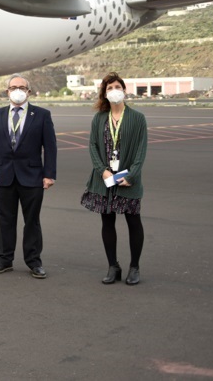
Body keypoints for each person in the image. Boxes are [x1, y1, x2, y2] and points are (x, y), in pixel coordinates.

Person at [0, 74, 57, 279]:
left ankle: (34, 261)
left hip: (32, 176)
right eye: (13, 87)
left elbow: (50, 147)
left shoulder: (42, 115)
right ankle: (4, 259)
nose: (17, 90)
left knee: (32, 221)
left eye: (22, 87)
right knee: (5, 219)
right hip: (3, 176)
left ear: (28, 92)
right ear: (7, 92)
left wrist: (49, 174)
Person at [80, 72, 147, 285]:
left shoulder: (137, 118)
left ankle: (134, 267)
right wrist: (102, 170)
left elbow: (140, 150)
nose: (114, 91)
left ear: (124, 90)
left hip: (127, 179)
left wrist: (132, 175)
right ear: (104, 93)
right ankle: (112, 266)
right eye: (109, 88)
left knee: (133, 221)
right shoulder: (99, 118)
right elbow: (92, 146)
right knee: (107, 221)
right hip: (104, 179)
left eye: (117, 86)